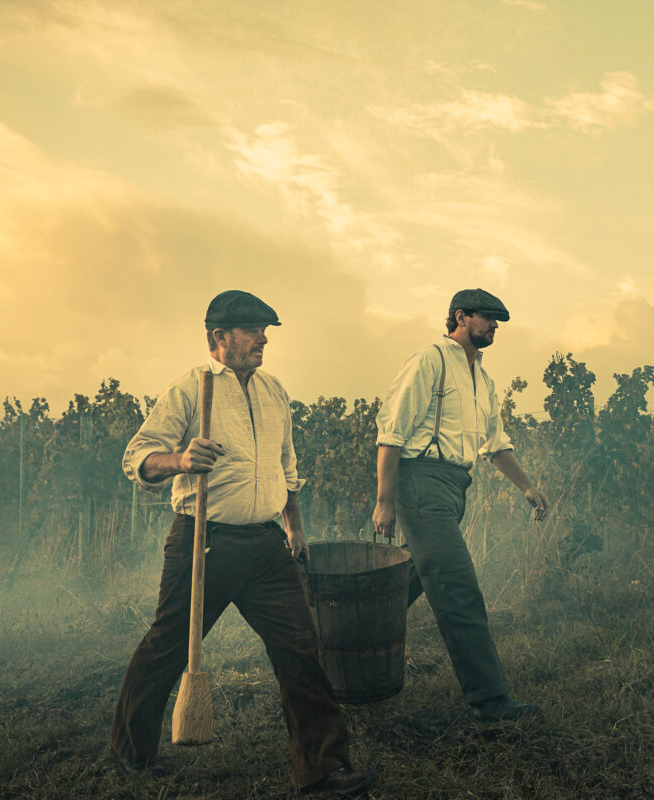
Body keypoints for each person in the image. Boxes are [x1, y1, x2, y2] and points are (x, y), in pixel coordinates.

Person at [110, 290, 376, 797]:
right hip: (203, 541)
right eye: (253, 329)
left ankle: (323, 770)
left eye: (265, 329)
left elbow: (287, 467)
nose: (263, 338)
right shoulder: (192, 388)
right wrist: (180, 461)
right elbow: (137, 457)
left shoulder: (275, 391)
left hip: (266, 545)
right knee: (167, 645)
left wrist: (294, 527)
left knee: (301, 647)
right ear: (219, 338)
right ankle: (131, 749)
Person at [372, 287, 551, 721]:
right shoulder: (429, 360)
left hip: (454, 487)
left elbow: (496, 444)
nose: (493, 326)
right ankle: (490, 701)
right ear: (460, 317)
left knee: (401, 586)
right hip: (420, 483)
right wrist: (384, 501)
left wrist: (527, 486)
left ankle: (344, 640)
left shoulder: (482, 378)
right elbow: (392, 432)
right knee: (459, 590)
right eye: (486, 317)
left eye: (497, 321)